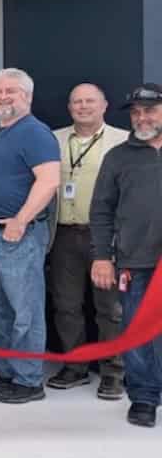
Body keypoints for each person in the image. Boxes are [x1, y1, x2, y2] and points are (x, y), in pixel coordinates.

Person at [0, 68, 61, 404]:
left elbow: (49, 181)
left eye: (11, 91)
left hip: (19, 235)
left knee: (24, 310)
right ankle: (4, 368)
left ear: (27, 96)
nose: (3, 97)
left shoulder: (35, 133)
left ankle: (29, 380)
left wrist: (21, 219)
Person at [46, 83, 128, 398]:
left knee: (110, 308)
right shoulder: (53, 139)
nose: (83, 106)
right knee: (66, 305)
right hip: (63, 234)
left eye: (89, 101)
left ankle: (113, 372)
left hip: (105, 235)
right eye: (77, 102)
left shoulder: (124, 140)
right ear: (69, 108)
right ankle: (75, 367)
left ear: (104, 105)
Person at [90, 83, 162, 427]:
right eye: (135, 112)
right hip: (136, 262)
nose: (142, 118)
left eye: (150, 110)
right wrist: (102, 257)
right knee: (137, 332)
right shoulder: (118, 157)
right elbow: (101, 211)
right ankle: (144, 397)